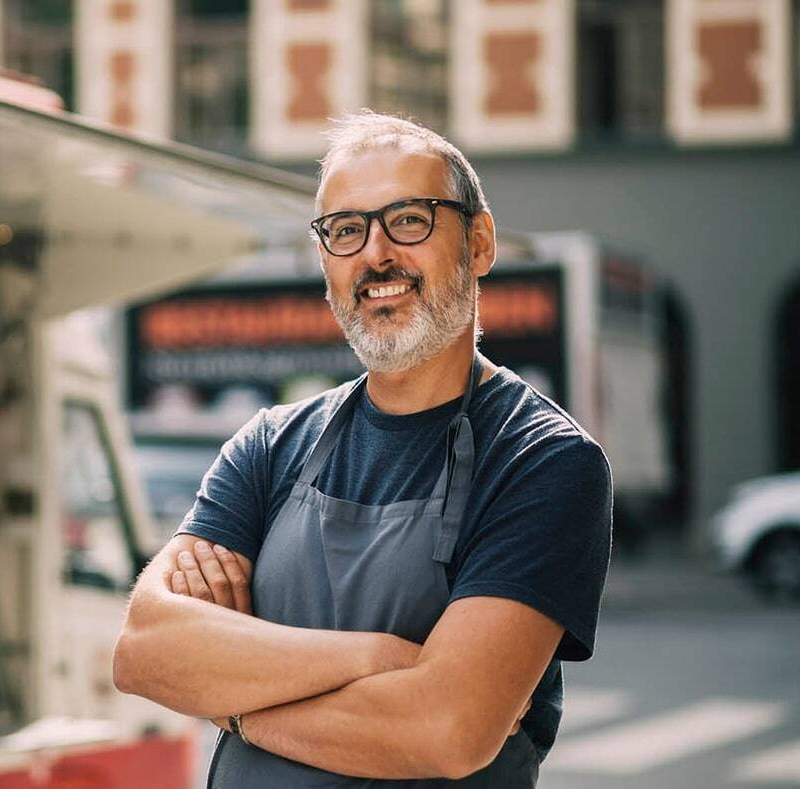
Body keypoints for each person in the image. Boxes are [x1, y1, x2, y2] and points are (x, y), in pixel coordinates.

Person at [112, 111, 612, 787]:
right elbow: (145, 652)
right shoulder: (267, 446)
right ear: (325, 263)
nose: (375, 254)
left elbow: (446, 729)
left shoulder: (543, 461)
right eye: (347, 230)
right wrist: (381, 656)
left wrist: (233, 702)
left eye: (408, 219)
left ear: (481, 242)